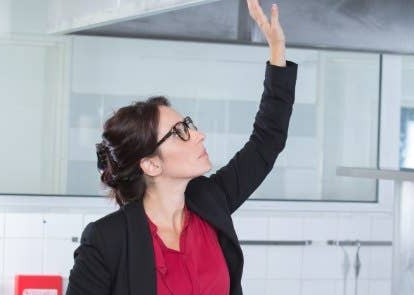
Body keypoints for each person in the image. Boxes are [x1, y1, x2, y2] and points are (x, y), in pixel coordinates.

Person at [66, 1, 296, 294]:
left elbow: (267, 140)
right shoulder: (106, 239)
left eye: (188, 125)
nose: (198, 135)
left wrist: (277, 51)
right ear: (151, 164)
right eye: (179, 133)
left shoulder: (211, 202)